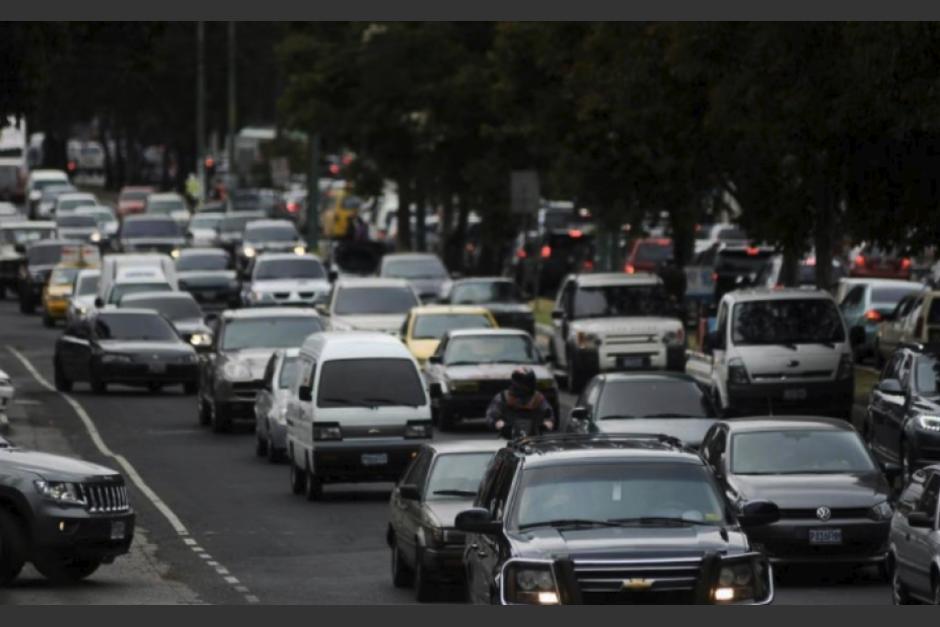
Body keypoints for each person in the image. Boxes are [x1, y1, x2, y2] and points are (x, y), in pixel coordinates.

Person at [485, 367, 555, 438]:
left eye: (530, 382)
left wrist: (546, 425)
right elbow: (492, 416)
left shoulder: (538, 398)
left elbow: (548, 415)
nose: (528, 386)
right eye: (526, 383)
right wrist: (500, 425)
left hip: (534, 438)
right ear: (516, 383)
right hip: (508, 438)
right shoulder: (503, 397)